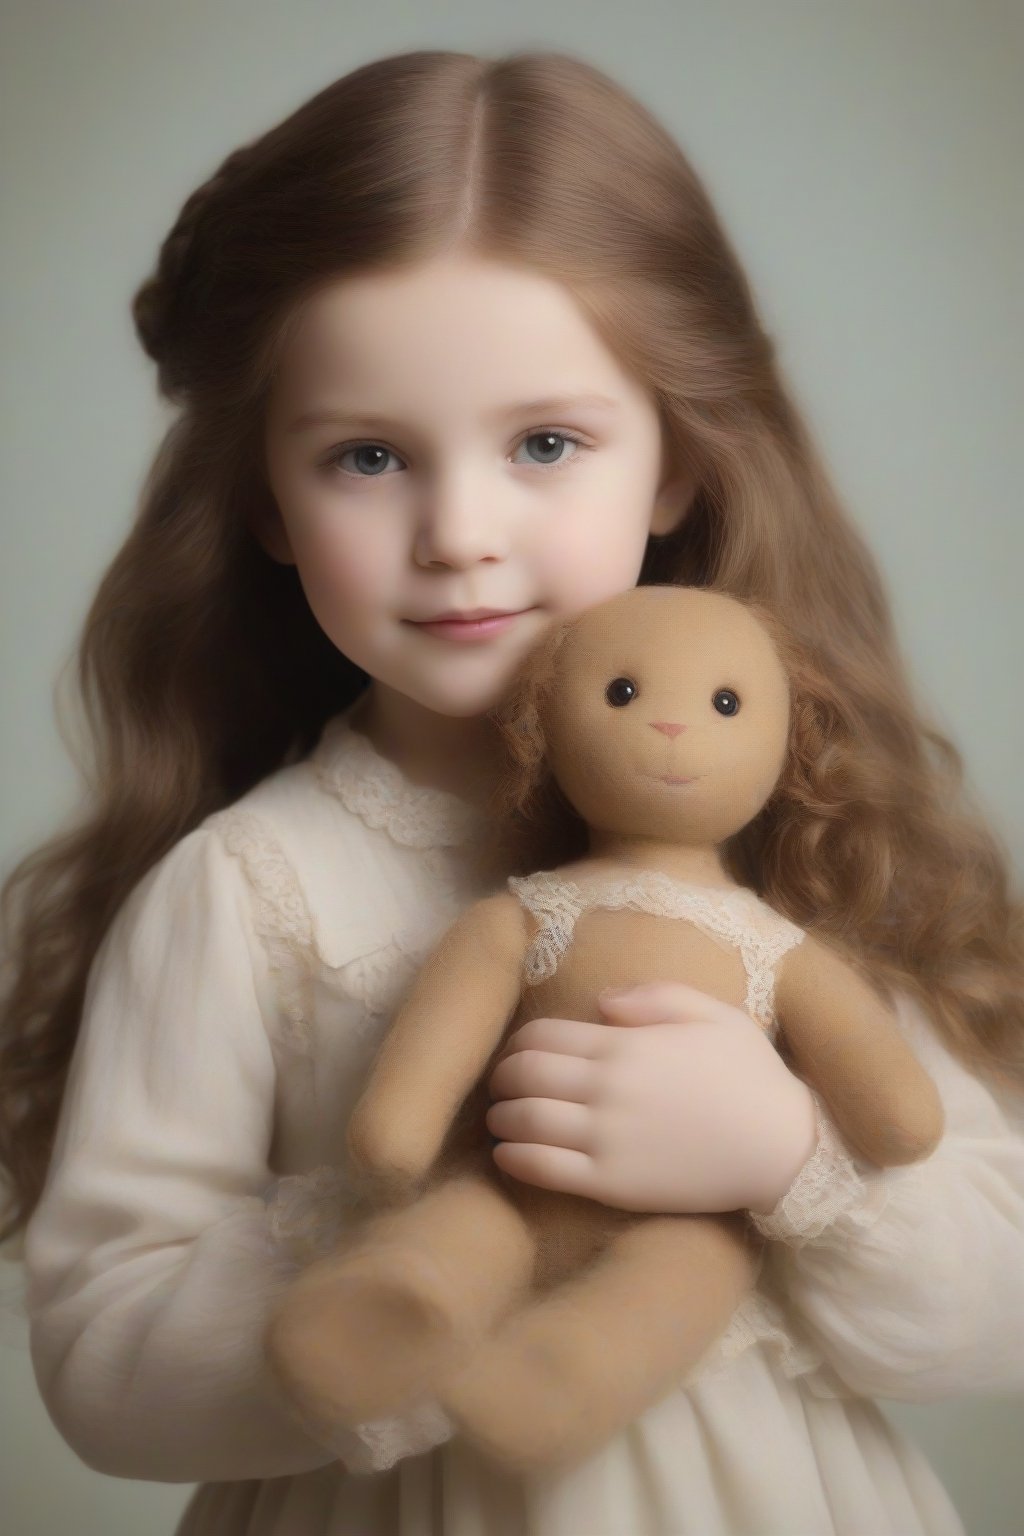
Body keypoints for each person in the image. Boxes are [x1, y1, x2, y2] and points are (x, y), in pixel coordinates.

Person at [2, 47, 1022, 1536]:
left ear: (676, 462)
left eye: (546, 443)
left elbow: (1001, 1292)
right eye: (367, 457)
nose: (460, 533)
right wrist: (399, 1266)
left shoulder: (813, 846)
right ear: (265, 504)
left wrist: (789, 1161)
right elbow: (104, 1357)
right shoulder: (255, 888)